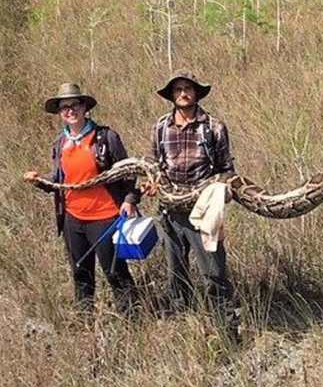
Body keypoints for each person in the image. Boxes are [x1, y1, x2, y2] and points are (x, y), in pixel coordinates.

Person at [23, 83, 139, 317]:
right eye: (64, 107)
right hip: (72, 219)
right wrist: (39, 181)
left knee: (114, 271)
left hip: (105, 217)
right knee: (80, 272)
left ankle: (133, 319)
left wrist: (129, 199)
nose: (69, 110)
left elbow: (129, 172)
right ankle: (85, 321)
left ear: (84, 107)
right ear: (59, 113)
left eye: (74, 104)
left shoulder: (105, 137)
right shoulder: (60, 144)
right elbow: (61, 180)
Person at [146, 70, 238, 329]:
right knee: (176, 272)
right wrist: (152, 184)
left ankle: (226, 325)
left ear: (196, 93)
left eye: (188, 88)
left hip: (205, 210)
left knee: (214, 271)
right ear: (172, 96)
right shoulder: (161, 126)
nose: (183, 93)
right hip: (170, 210)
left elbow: (226, 168)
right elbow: (154, 165)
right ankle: (183, 324)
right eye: (178, 90)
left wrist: (223, 188)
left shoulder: (213, 127)